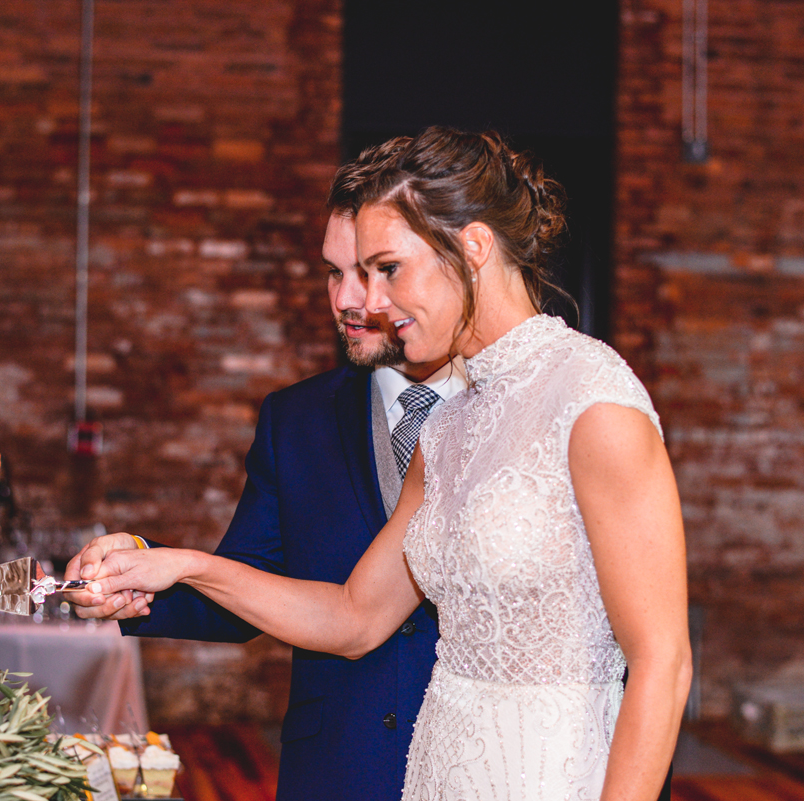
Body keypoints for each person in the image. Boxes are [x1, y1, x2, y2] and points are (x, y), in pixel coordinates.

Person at [71, 126, 691, 801]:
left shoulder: (591, 400)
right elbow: (354, 617)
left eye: (387, 269)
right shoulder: (449, 427)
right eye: (355, 273)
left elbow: (663, 662)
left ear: (473, 245)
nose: (370, 300)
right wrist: (183, 564)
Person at [65, 138, 469, 801]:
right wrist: (135, 574)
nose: (344, 298)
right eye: (332, 273)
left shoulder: (516, 406)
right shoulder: (296, 419)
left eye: (370, 272)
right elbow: (246, 591)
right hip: (337, 769)